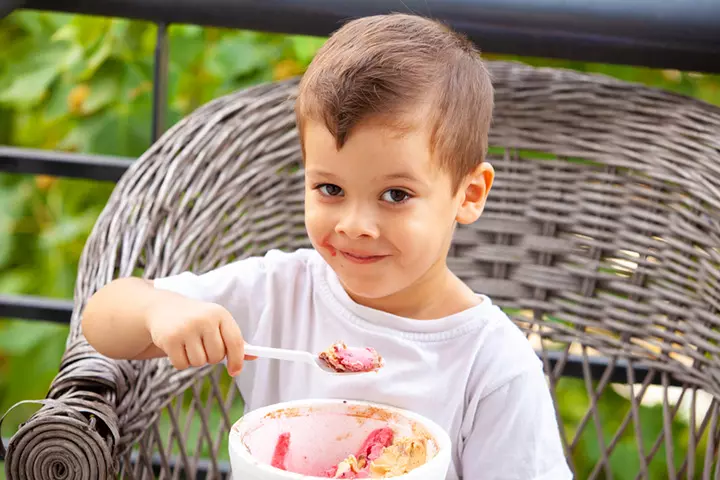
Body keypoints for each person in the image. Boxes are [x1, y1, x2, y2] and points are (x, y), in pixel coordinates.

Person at [82, 13, 572, 480]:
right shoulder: (281, 290)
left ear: (468, 195)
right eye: (330, 190)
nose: (355, 225)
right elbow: (101, 321)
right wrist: (159, 311)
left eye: (395, 195)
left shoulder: (493, 367)